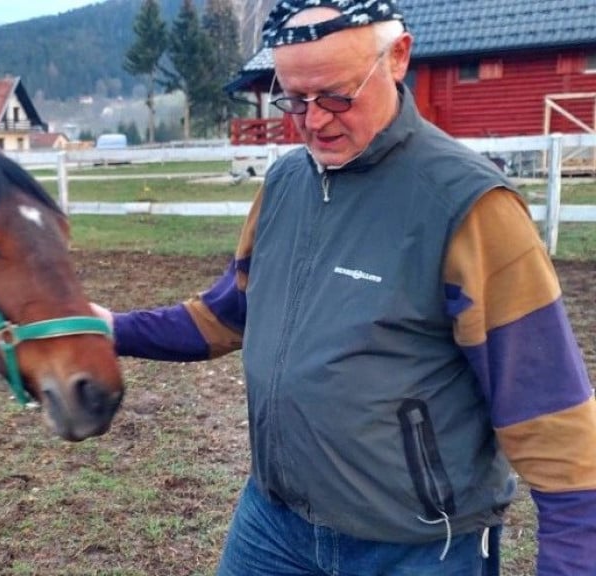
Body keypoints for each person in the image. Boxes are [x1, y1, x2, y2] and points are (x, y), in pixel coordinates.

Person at [90, 1, 596, 574]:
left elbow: (552, 415)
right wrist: (110, 327)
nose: (314, 121)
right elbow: (229, 313)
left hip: (415, 549)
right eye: (295, 100)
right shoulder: (285, 183)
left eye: (336, 95)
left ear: (398, 57)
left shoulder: (468, 208)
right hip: (273, 523)